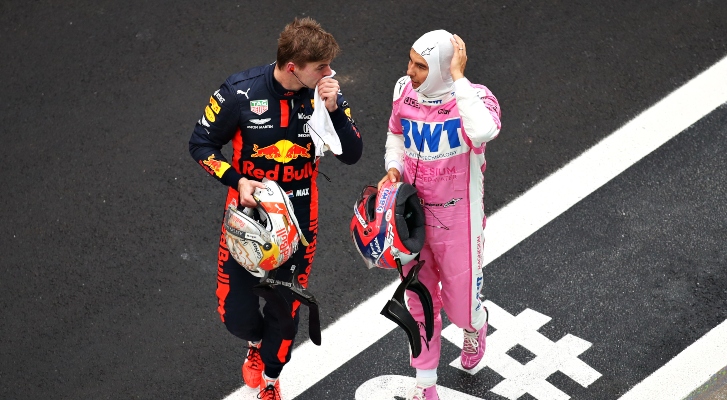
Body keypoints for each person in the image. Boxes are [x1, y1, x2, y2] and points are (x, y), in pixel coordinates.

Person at [189, 17, 362, 399]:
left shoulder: (326, 95)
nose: (330, 73)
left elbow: (352, 154)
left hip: (300, 229)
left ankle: (270, 379)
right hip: (247, 224)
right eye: (321, 68)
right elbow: (200, 144)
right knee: (234, 317)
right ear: (292, 67)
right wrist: (237, 181)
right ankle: (253, 343)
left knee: (285, 319)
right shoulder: (238, 93)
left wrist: (333, 110)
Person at [378, 29, 501, 400]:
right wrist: (394, 167)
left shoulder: (476, 98)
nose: (411, 71)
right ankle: (425, 385)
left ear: (445, 68)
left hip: (459, 222)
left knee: (460, 308)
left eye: (421, 65)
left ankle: (474, 326)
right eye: (411, 62)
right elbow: (395, 135)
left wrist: (459, 78)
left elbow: (484, 130)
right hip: (413, 218)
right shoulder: (404, 91)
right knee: (418, 299)